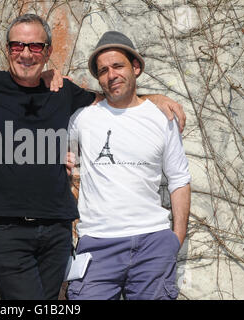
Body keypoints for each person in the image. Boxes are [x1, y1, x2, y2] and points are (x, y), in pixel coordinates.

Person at [0, 14, 186, 300]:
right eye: (18, 46)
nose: (26, 54)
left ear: (48, 51)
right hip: (7, 230)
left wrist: (151, 100)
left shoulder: (63, 92)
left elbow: (113, 99)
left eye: (35, 46)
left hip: (57, 230)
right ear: (7, 50)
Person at [67, 31, 191, 300]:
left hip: (153, 244)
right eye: (103, 70)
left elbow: (179, 179)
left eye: (118, 66)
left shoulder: (162, 118)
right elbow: (63, 164)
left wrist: (175, 239)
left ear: (135, 67)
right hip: (97, 245)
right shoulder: (82, 119)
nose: (111, 75)